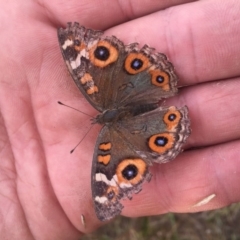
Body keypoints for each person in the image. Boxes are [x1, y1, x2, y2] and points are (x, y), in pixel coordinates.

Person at [0, 0, 239, 238]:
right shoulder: (96, 95)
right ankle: (160, 93)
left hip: (138, 102)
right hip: (137, 85)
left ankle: (167, 115)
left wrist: (72, 43)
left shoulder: (100, 112)